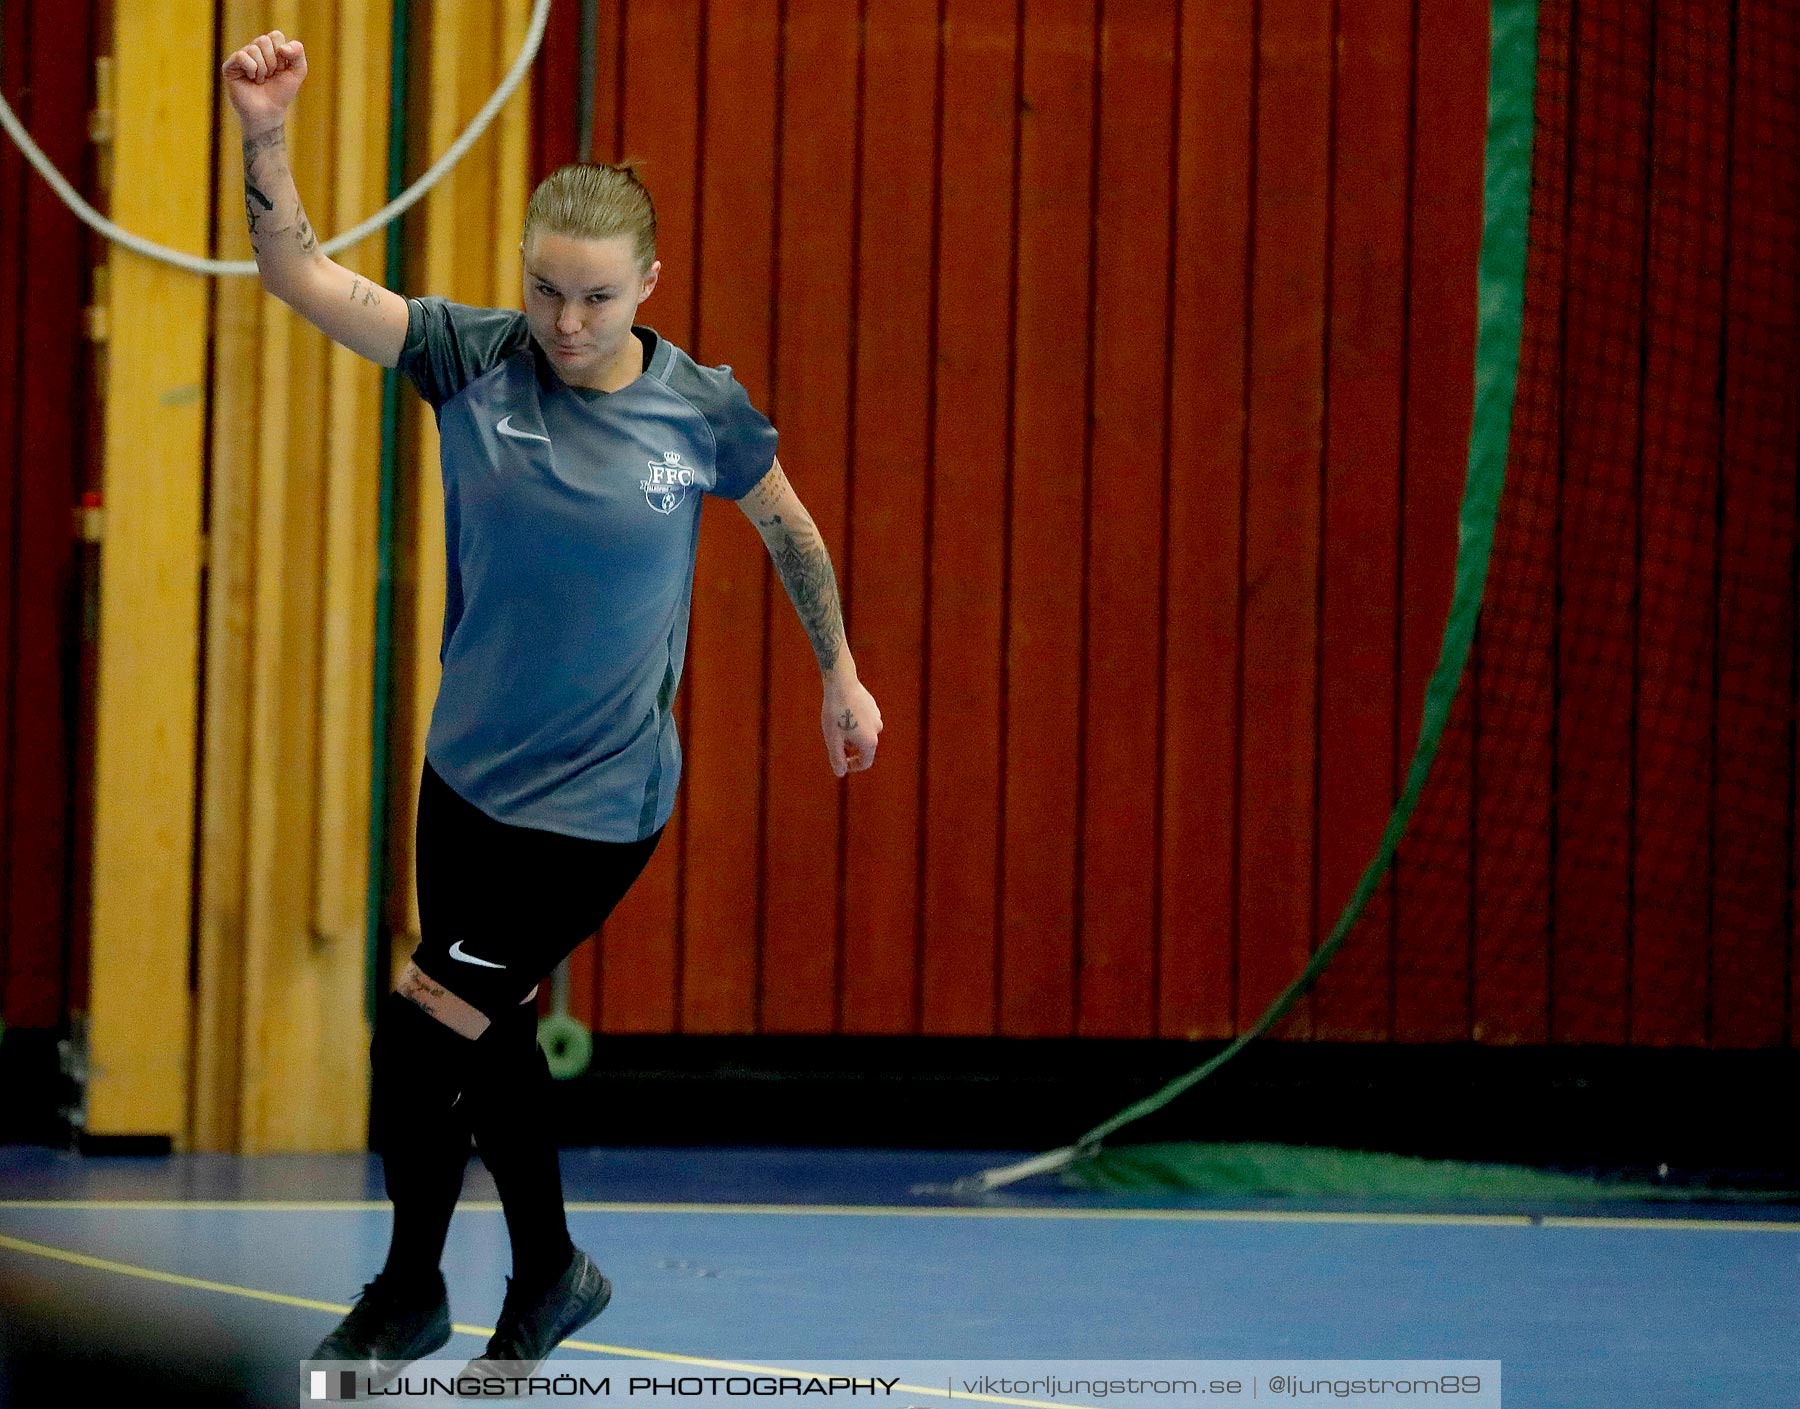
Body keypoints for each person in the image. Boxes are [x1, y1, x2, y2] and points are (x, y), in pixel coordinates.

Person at [221, 31, 883, 1393]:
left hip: (600, 805)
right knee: (492, 1026)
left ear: (647, 285)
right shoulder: (473, 362)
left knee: (420, 1035)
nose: (566, 322)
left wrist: (841, 669)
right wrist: (267, 131)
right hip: (465, 779)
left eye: (593, 297)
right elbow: (298, 272)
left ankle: (409, 1296)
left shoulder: (701, 411)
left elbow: (789, 529)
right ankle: (549, 1271)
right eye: (544, 291)